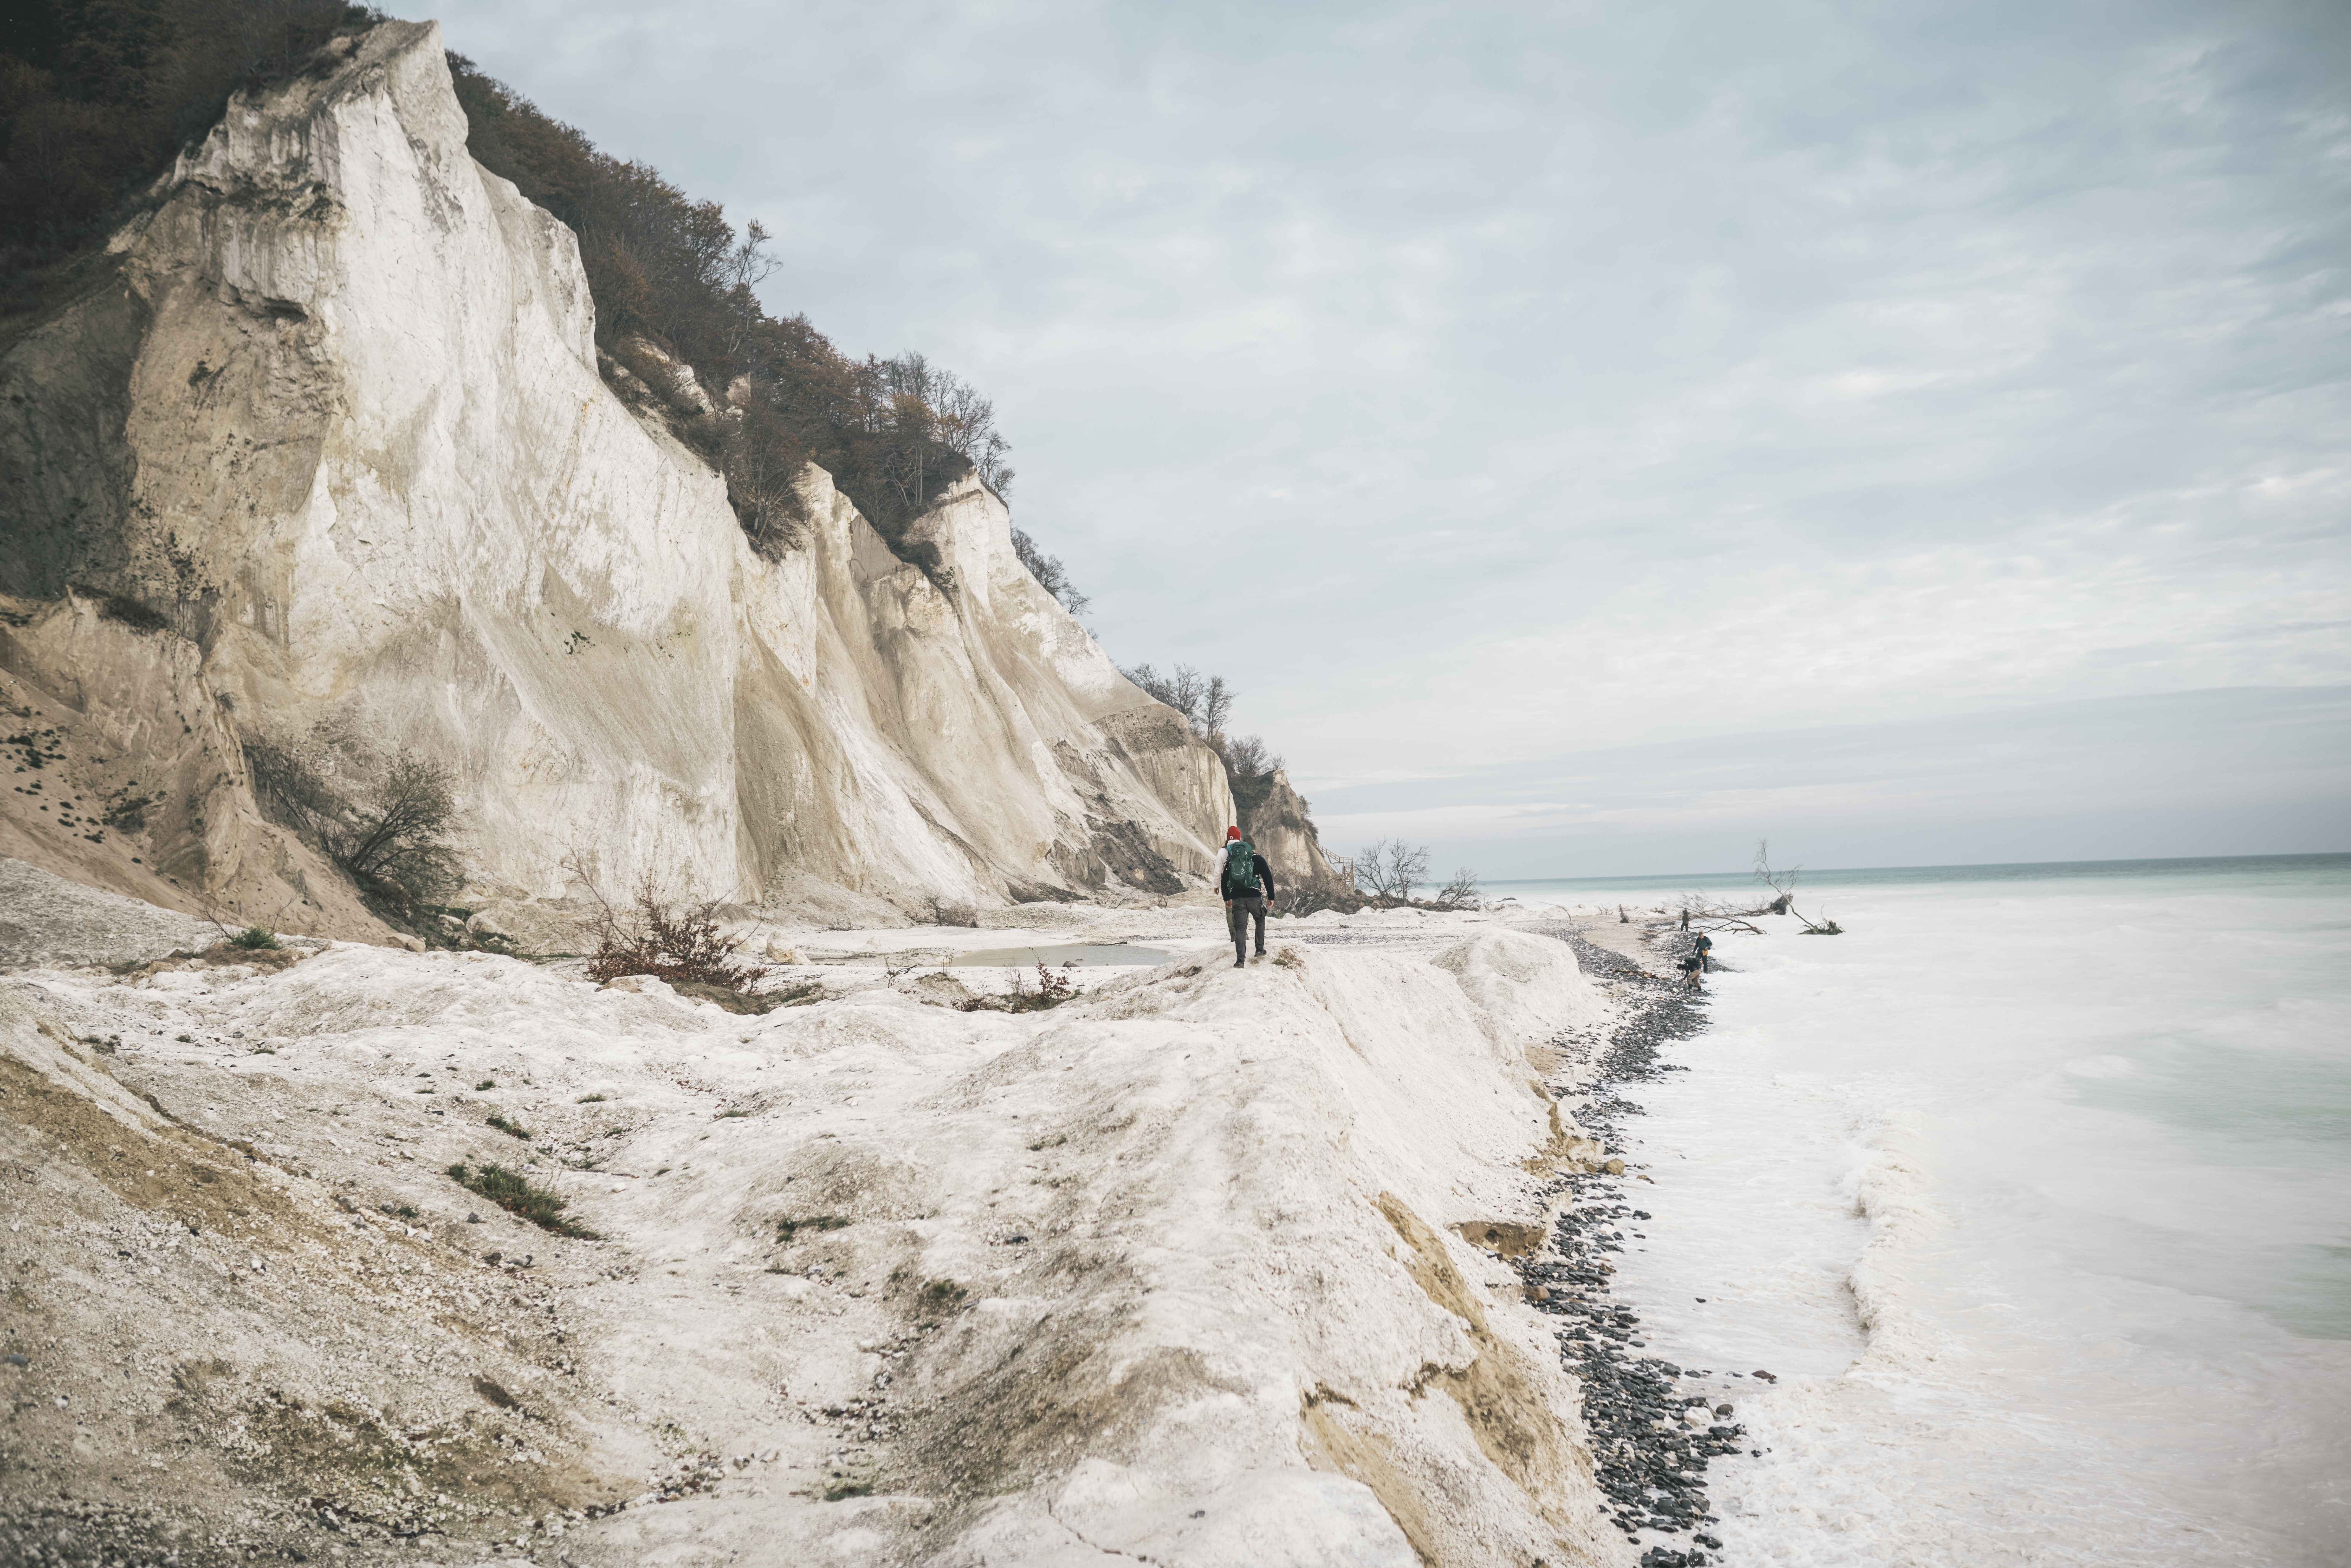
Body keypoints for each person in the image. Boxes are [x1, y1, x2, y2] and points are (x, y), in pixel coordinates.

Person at [1218, 826, 1275, 968]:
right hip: (1254, 898)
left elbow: (1224, 879)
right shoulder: (1259, 859)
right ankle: (1260, 950)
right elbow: (1268, 878)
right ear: (1253, 848)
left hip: (1237, 898)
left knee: (1241, 928)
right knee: (1260, 919)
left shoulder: (1233, 860)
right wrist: (1271, 897)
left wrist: (1227, 898)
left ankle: (1240, 961)